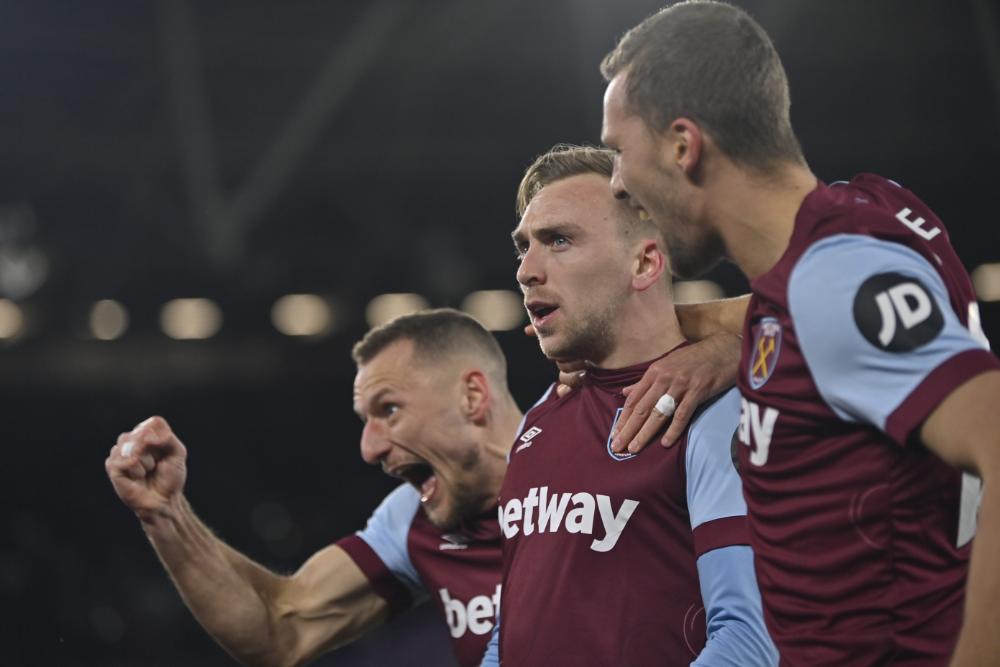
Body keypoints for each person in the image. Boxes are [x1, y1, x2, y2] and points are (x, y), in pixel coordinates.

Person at [599, 2, 1000, 665]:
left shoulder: (832, 282)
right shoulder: (871, 212)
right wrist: (663, 327)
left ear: (682, 146)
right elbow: (793, 316)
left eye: (618, 151)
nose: (617, 183)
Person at [106, 306, 743, 666]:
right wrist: (167, 516)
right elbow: (282, 625)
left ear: (472, 394)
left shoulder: (642, 454)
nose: (370, 447)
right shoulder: (414, 519)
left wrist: (726, 346)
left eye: (388, 411)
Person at [483, 144, 776, 666]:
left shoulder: (716, 412)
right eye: (523, 247)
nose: (527, 269)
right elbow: (511, 630)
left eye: (560, 241)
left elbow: (750, 641)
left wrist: (729, 348)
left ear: (643, 262)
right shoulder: (540, 421)